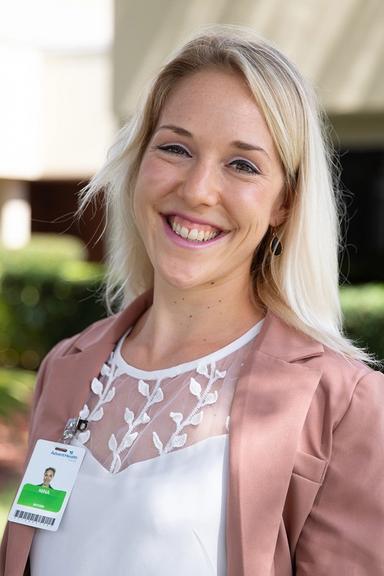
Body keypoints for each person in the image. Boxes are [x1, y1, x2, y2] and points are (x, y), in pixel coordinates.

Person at [1, 25, 384, 576]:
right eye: (176, 148)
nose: (198, 189)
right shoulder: (65, 367)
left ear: (284, 203)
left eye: (243, 164)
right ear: (138, 163)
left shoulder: (343, 405)